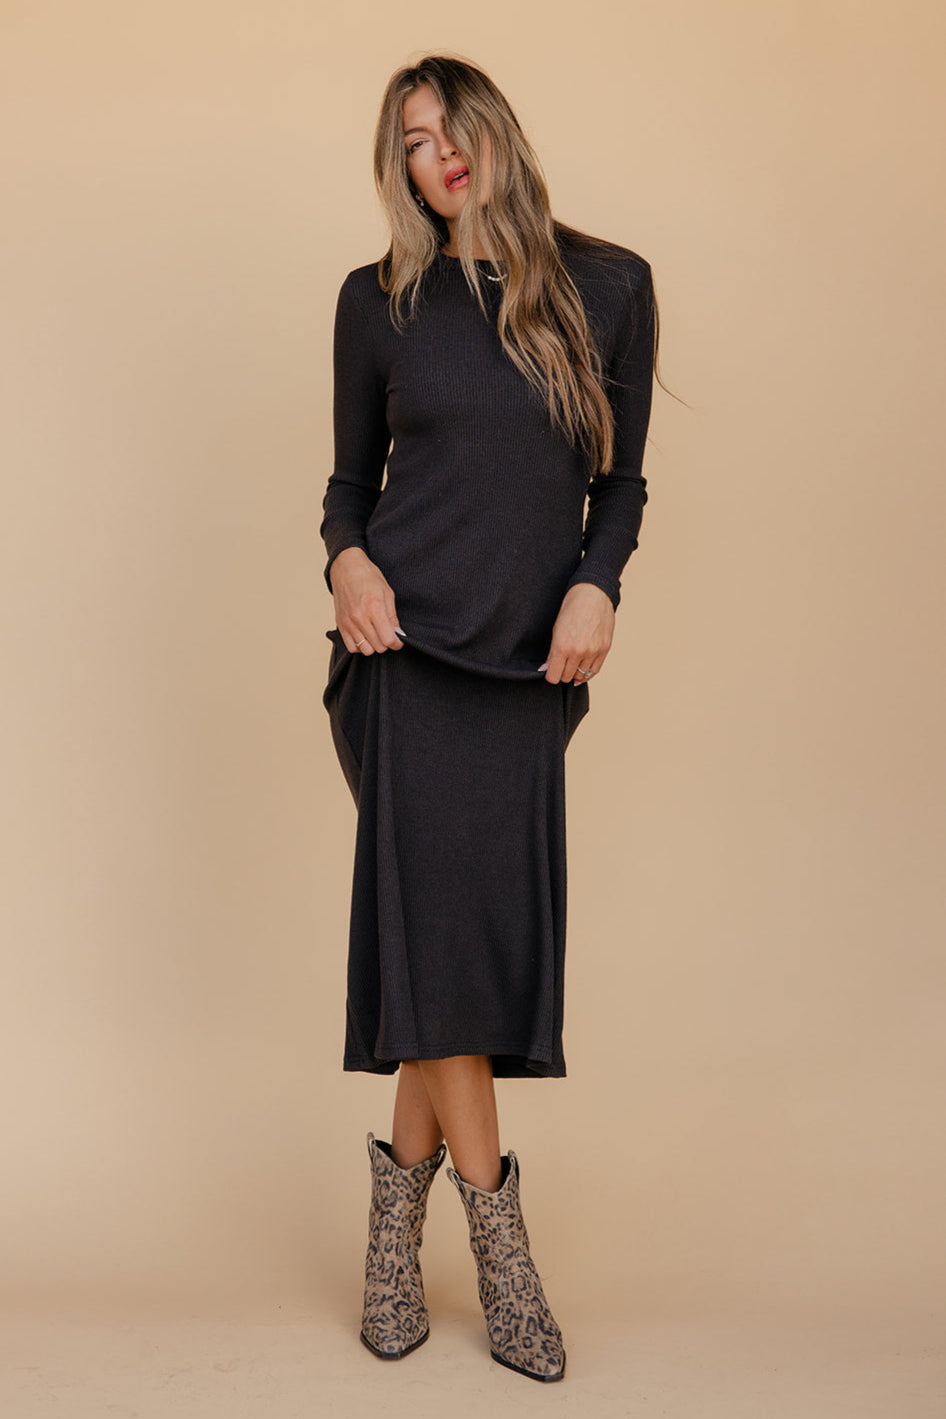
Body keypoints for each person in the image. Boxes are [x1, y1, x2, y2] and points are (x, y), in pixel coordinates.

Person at [319, 54, 661, 1383]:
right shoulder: (377, 301)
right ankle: (504, 1263)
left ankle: (389, 1249)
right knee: (447, 956)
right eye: (411, 141)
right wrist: (345, 561)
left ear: (493, 132)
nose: (437, 156)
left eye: (451, 128)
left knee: (445, 951)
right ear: (398, 165)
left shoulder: (609, 285)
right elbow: (349, 484)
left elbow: (619, 488)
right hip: (397, 654)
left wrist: (596, 587)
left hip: (528, 667)